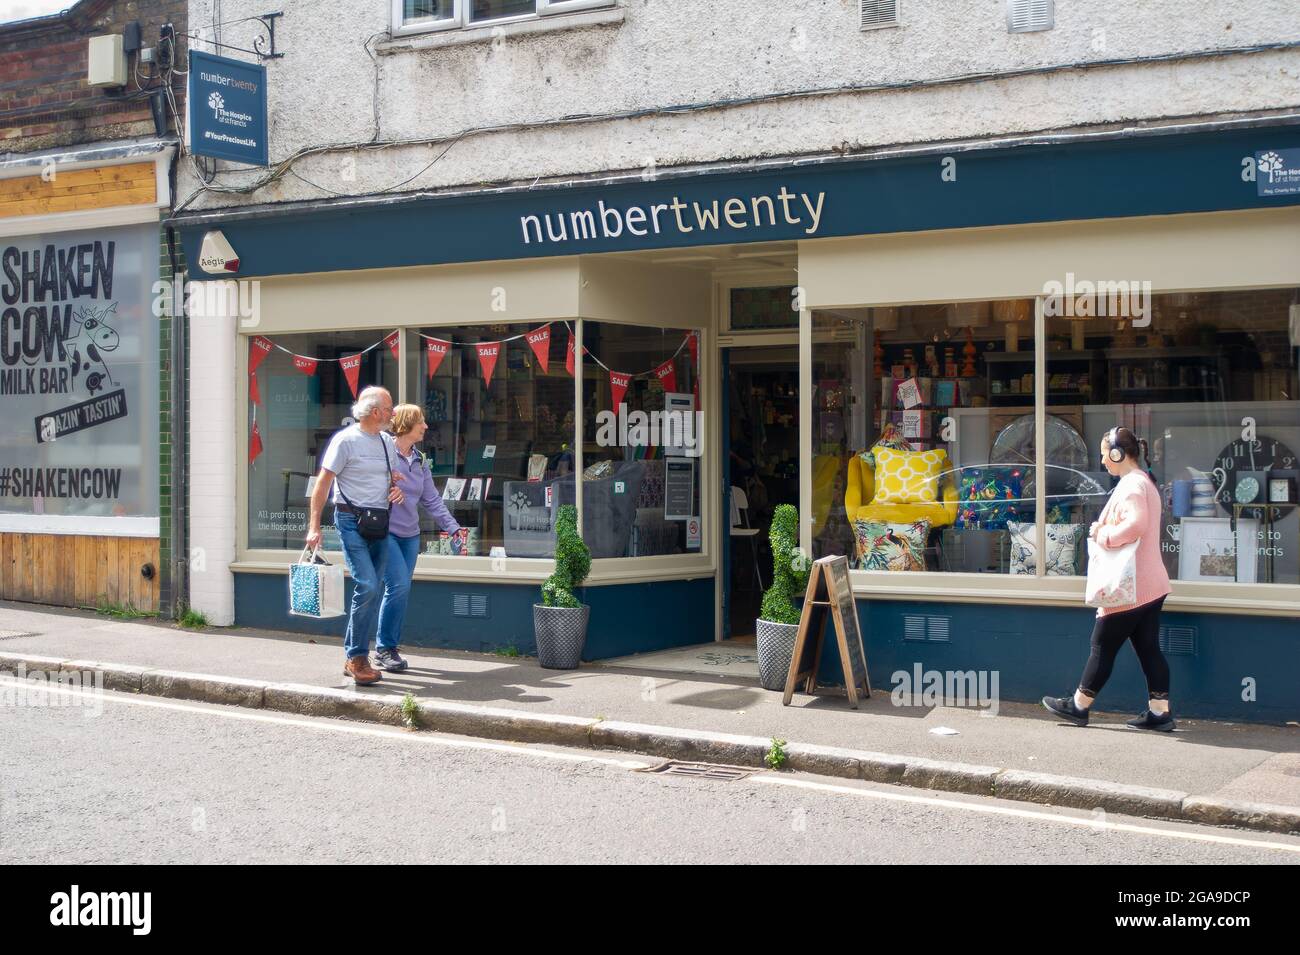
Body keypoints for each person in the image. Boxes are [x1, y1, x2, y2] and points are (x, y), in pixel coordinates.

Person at [1043, 426, 1174, 730]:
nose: (1102, 461)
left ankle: (1079, 706)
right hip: (1150, 584)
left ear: (1117, 454)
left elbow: (1135, 524)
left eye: (1104, 455)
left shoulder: (1131, 486)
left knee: (1102, 646)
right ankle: (1159, 712)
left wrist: (1104, 535)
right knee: (1149, 649)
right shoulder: (1143, 482)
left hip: (1128, 586)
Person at [306, 386, 405, 686]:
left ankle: (354, 656)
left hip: (380, 521)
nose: (392, 413)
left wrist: (395, 488)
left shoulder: (388, 442)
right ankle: (358, 657)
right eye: (389, 408)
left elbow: (390, 479)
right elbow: (322, 484)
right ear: (375, 412)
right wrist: (314, 526)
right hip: (350, 520)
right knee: (368, 584)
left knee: (372, 589)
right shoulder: (345, 441)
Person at [373, 404, 467, 672]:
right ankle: (383, 649)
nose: (426, 427)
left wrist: (453, 527)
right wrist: (387, 489)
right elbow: (365, 485)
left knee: (401, 591)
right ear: (407, 424)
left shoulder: (420, 460)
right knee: (398, 586)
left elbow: (432, 501)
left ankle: (389, 647)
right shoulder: (383, 452)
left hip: (410, 535)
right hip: (385, 531)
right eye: (421, 422)